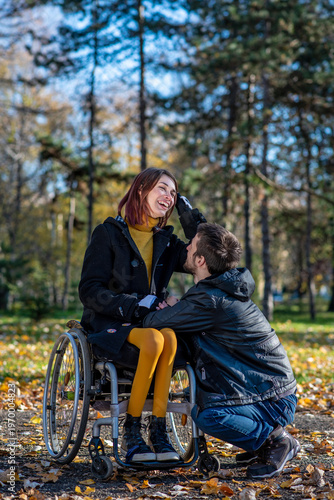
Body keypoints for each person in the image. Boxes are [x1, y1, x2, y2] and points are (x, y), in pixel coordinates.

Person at [143, 223, 300, 480]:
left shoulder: (210, 299)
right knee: (208, 406)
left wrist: (169, 308)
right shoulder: (222, 288)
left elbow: (152, 323)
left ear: (201, 260)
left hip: (272, 399)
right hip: (271, 390)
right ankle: (259, 444)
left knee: (208, 416)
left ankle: (276, 441)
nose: (186, 247)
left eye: (191, 245)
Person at [78, 167, 205, 464]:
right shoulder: (108, 233)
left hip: (151, 323)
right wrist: (136, 305)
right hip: (109, 324)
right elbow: (89, 289)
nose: (168, 196)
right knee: (153, 341)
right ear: (141, 190)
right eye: (162, 188)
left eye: (173, 193)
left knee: (170, 339)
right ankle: (132, 431)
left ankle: (158, 431)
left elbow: (207, 254)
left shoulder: (167, 242)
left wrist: (192, 221)